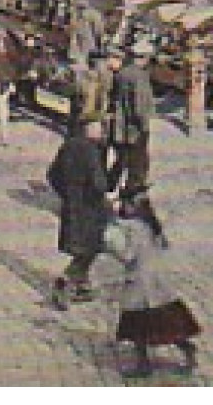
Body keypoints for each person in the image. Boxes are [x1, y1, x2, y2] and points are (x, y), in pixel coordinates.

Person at [102, 189, 200, 378]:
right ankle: (186, 349)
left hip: (140, 281)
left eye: (125, 204)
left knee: (137, 323)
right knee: (166, 323)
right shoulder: (150, 224)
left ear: (132, 207)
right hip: (157, 281)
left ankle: (143, 364)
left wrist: (110, 234)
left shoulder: (132, 228)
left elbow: (128, 255)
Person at [46, 118, 112, 309]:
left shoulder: (68, 146)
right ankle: (66, 281)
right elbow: (99, 184)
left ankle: (82, 287)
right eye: (99, 128)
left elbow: (52, 175)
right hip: (90, 210)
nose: (102, 132)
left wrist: (66, 194)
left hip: (70, 207)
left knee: (82, 248)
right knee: (90, 249)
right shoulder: (91, 151)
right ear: (89, 130)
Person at [105, 44, 155, 195]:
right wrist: (144, 125)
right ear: (145, 58)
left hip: (120, 125)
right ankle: (129, 199)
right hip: (134, 128)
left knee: (121, 160)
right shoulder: (139, 76)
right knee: (137, 166)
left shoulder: (122, 73)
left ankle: (107, 186)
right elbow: (139, 104)